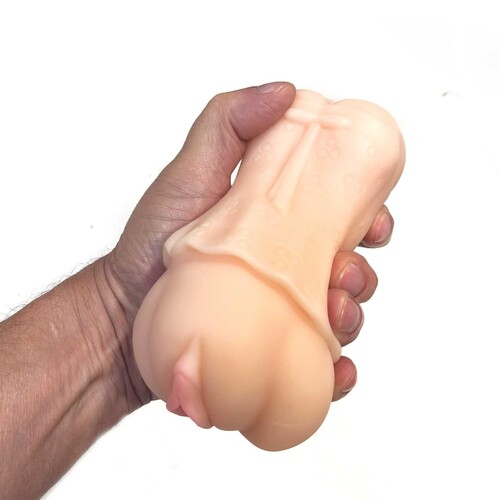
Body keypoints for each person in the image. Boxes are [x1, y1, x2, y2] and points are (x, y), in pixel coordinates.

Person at [0, 82, 394, 499]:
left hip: (210, 274)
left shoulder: (308, 122)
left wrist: (112, 315)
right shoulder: (370, 136)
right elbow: (291, 420)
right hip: (230, 275)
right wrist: (113, 311)